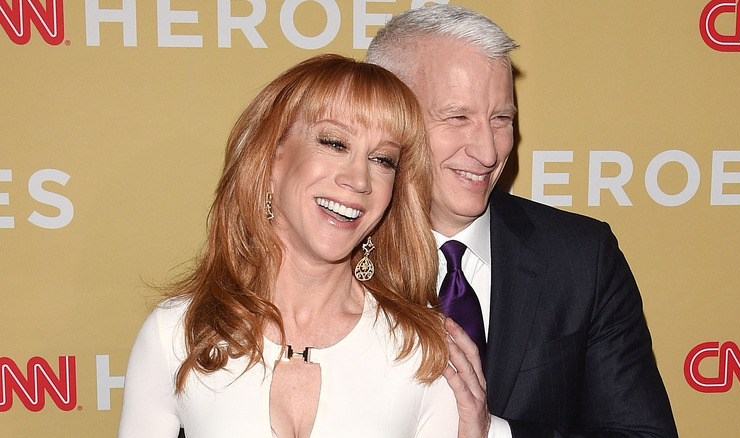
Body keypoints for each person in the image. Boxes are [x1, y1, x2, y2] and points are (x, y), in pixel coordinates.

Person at [367, 5, 678, 437]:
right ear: (386, 118)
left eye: (502, 119)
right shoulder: (329, 256)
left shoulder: (582, 258)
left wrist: (493, 433)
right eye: (457, 117)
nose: (489, 151)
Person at [117, 54, 462, 438]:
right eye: (334, 143)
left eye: (382, 160)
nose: (359, 179)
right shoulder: (177, 331)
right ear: (271, 159)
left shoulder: (421, 348)